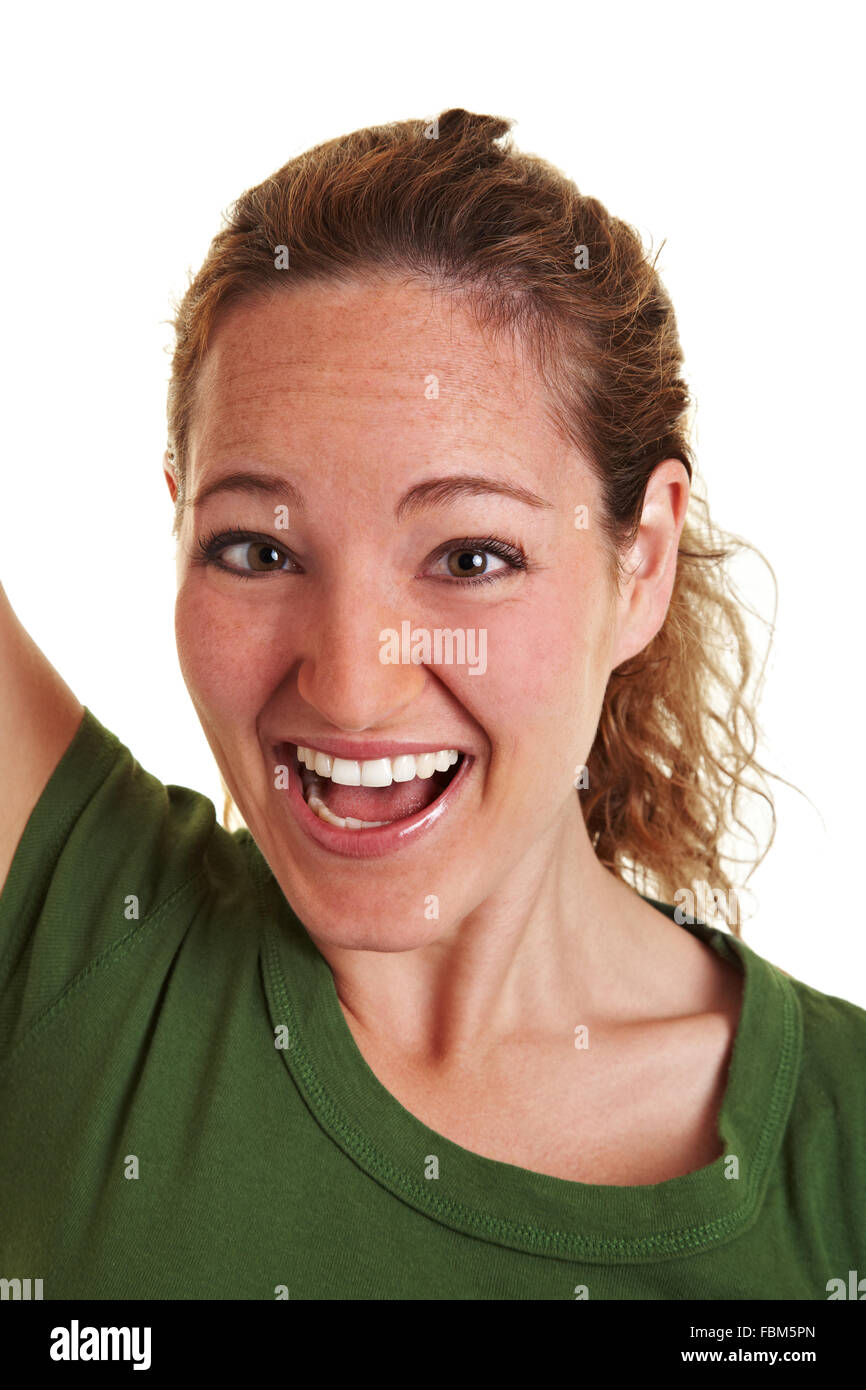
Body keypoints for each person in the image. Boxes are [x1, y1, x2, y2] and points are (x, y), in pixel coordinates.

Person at [1, 108, 863, 1301]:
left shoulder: (846, 1156)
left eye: (467, 557)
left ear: (642, 563)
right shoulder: (82, 955)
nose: (351, 684)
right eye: (255, 548)